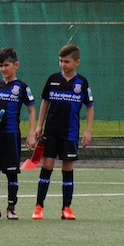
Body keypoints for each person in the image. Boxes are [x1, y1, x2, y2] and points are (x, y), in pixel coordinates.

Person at [32, 44, 94, 220]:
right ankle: (39, 206)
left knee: (67, 166)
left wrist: (88, 131)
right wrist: (39, 126)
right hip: (51, 132)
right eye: (60, 61)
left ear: (77, 62)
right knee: (47, 165)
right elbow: (45, 103)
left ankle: (66, 208)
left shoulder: (82, 83)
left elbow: (90, 107)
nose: (63, 65)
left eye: (66, 61)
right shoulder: (52, 80)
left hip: (70, 133)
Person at [0, 47, 37, 220]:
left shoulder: (21, 87)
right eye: (1, 66)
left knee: (11, 172)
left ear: (16, 65)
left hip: (11, 135)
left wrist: (31, 134)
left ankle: (11, 208)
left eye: (6, 65)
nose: (3, 69)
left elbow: (31, 110)